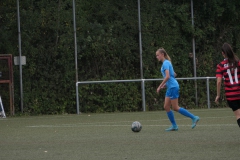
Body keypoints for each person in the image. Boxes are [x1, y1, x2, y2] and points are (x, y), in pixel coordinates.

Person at [156, 48, 200, 131]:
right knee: (166, 107)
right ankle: (174, 126)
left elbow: (168, 76)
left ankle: (194, 117)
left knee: (175, 107)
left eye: (158, 55)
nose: (157, 57)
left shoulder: (165, 63)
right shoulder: (167, 63)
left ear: (162, 54)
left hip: (173, 87)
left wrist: (159, 86)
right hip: (170, 87)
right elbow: (173, 75)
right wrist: (165, 85)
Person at [215, 42, 240, 128]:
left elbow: (219, 81)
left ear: (223, 53)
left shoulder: (220, 65)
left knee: (238, 116)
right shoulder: (238, 62)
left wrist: (218, 95)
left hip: (231, 96)